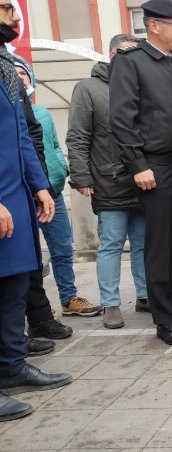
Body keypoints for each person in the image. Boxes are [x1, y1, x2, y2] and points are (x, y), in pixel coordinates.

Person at [109, 0, 172, 346]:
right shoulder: (131, 62)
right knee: (161, 246)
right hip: (156, 165)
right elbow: (121, 119)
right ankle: (166, 320)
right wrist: (138, 165)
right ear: (154, 26)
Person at [0, 2, 71, 420]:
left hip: (17, 196)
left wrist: (40, 186)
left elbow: (20, 135)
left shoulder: (7, 65)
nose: (14, 16)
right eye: (6, 8)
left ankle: (11, 368)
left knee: (13, 289)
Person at [67, 34, 149, 329]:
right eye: (127, 54)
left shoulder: (141, 85)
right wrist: (80, 176)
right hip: (108, 181)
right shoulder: (88, 88)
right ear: (113, 55)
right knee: (112, 244)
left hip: (143, 181)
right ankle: (111, 303)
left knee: (143, 244)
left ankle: (144, 295)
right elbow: (77, 137)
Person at [13, 57, 104, 319]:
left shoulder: (42, 113)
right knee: (28, 256)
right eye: (14, 73)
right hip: (24, 195)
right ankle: (37, 307)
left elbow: (51, 146)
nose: (19, 78)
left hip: (51, 191)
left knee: (63, 247)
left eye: (24, 74)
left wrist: (62, 172)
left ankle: (69, 297)